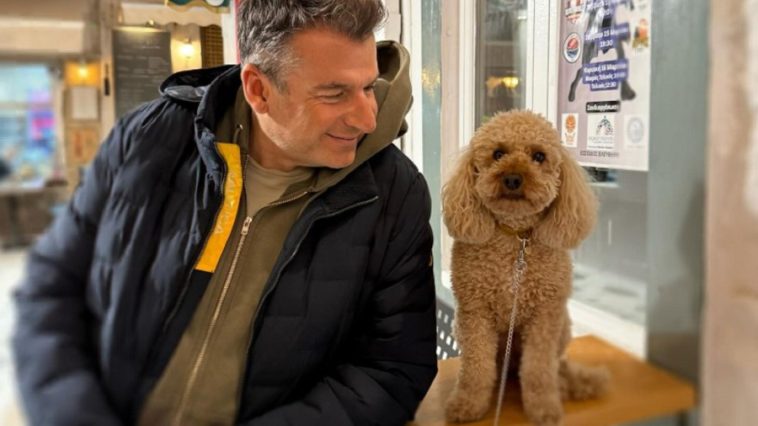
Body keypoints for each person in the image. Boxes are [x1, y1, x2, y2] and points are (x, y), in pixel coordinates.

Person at [12, 1, 438, 425]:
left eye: (368, 87)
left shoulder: (395, 194)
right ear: (258, 90)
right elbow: (52, 289)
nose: (367, 119)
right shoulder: (145, 140)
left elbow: (391, 370)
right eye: (334, 94)